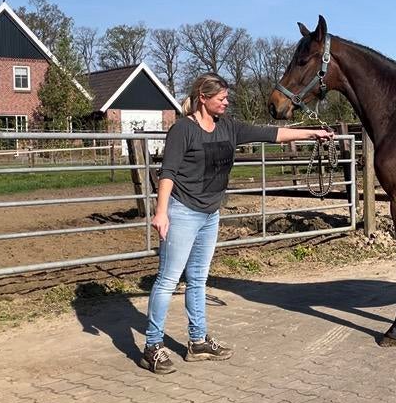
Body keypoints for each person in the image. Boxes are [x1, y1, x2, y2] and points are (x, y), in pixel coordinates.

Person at [141, 72, 333, 374]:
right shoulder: (182, 130)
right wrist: (161, 211)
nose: (226, 102)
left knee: (198, 280)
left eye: (226, 98)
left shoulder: (228, 127)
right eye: (222, 98)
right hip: (182, 212)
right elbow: (168, 174)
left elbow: (271, 134)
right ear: (203, 98)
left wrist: (312, 134)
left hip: (209, 214)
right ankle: (152, 346)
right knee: (168, 280)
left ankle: (198, 341)